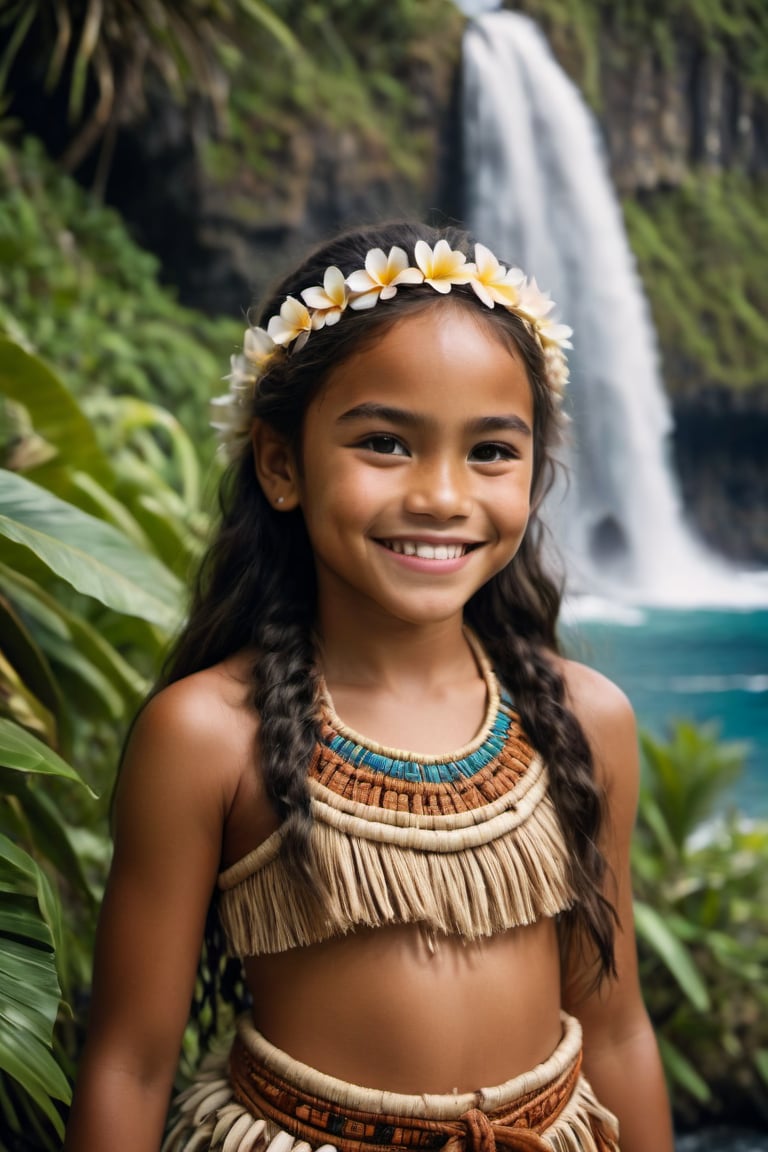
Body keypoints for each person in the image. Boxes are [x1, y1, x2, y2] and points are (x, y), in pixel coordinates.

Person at [64, 221, 675, 1152]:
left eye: (491, 452)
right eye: (386, 443)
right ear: (280, 464)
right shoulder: (207, 739)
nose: (441, 494)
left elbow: (618, 1028)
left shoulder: (586, 722)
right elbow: (130, 1064)